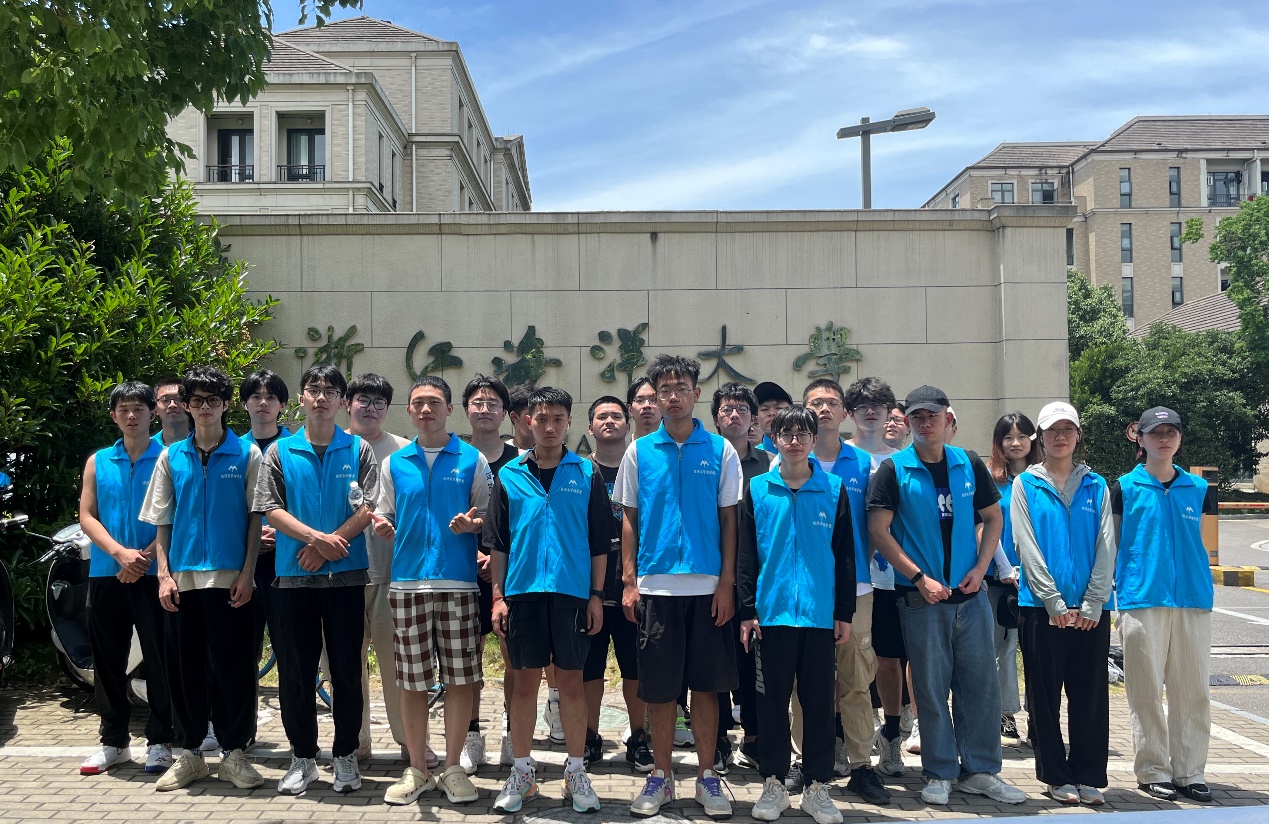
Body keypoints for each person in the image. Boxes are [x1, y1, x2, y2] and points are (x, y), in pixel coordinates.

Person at [866, 385, 1025, 806]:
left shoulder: (968, 462)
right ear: (908, 422)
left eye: (932, 415)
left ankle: (981, 771)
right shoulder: (894, 469)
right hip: (922, 599)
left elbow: (992, 518)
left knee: (980, 686)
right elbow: (879, 531)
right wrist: (918, 577)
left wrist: (981, 567)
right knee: (931, 688)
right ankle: (939, 772)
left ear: (948, 419)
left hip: (970, 597)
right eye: (917, 416)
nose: (925, 423)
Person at [616, 355, 742, 819]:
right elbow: (629, 518)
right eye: (664, 390)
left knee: (707, 689)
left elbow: (729, 520)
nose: (672, 397)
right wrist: (629, 581)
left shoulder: (721, 450)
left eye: (681, 388)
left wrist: (726, 583)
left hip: (708, 588)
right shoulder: (639, 451)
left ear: (696, 393)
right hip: (656, 587)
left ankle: (707, 777)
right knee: (661, 691)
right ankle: (662, 776)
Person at [253, 365, 379, 794]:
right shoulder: (280, 452)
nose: (321, 397)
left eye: (330, 391)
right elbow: (270, 507)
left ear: (342, 401)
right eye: (313, 390)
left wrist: (329, 544)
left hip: (345, 577)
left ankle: (345, 756)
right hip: (294, 577)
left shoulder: (358, 449)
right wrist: (314, 539)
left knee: (347, 671)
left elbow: (370, 504)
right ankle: (303, 757)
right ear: (302, 398)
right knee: (295, 672)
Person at [141, 366, 264, 792]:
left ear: (226, 404)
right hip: (184, 581)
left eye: (213, 400)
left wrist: (248, 572)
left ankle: (233, 753)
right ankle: (190, 754)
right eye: (197, 400)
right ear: (187, 407)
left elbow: (255, 518)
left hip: (231, 580)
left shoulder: (247, 454)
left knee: (235, 668)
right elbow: (163, 520)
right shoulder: (171, 456)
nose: (205, 407)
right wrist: (163, 575)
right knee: (184, 669)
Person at [489, 387, 611, 814]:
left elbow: (600, 542)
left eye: (558, 419)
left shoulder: (587, 473)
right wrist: (498, 596)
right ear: (528, 421)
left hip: (571, 594)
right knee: (524, 683)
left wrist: (596, 595)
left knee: (572, 683)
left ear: (569, 423)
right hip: (522, 593)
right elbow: (499, 543)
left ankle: (575, 772)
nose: (550, 427)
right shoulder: (509, 475)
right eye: (541, 419)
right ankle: (523, 774)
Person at [374, 376, 493, 806]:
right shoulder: (395, 463)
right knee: (412, 681)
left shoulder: (473, 459)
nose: (426, 410)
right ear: (408, 410)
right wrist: (384, 526)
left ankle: (454, 766)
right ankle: (417, 770)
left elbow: (489, 516)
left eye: (435, 402)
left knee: (461, 679)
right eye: (419, 403)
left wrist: (472, 525)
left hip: (458, 582)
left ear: (449, 410)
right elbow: (385, 513)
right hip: (407, 583)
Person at [740, 406, 854, 824]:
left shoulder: (833, 489)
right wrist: (747, 609)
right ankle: (773, 782)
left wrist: (843, 611)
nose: (794, 441)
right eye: (785, 434)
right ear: (774, 439)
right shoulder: (758, 489)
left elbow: (845, 555)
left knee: (819, 703)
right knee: (770, 703)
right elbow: (746, 554)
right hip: (771, 616)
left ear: (813, 439)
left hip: (819, 616)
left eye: (802, 434)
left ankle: (817, 786)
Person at [785, 378, 889, 805]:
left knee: (856, 680)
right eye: (816, 403)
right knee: (803, 683)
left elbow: (877, 523)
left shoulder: (865, 464)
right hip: (802, 590)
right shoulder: (787, 460)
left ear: (844, 412)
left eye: (832, 402)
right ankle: (804, 760)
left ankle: (862, 766)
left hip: (856, 589)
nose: (824, 409)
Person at [1012, 402, 1115, 806]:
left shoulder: (1096, 484)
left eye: (1067, 429)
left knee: (1090, 696)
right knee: (1044, 696)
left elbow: (1106, 545)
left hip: (1091, 611)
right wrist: (1052, 601)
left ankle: (1088, 775)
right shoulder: (1026, 484)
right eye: (1052, 430)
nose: (1060, 437)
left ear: (1078, 435)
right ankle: (1056, 776)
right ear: (1040, 437)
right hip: (1041, 609)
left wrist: (1093, 602)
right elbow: (1026, 546)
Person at [1114, 407, 1217, 803]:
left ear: (1179, 438)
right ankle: (1154, 770)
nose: (1163, 438)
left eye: (1171, 431)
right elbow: (1114, 544)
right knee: (1145, 690)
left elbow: (1202, 544)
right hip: (1142, 598)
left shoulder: (1199, 488)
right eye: (1155, 432)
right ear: (1139, 438)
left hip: (1192, 598)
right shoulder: (1124, 487)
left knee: (1193, 689)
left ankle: (1190, 771)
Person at [78, 381, 175, 776]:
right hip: (107, 573)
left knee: (160, 658)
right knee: (107, 661)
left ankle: (161, 740)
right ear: (113, 415)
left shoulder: (169, 457)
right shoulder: (98, 461)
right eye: (123, 409)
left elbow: (175, 515)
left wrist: (143, 557)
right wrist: (120, 554)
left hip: (155, 575)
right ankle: (113, 742)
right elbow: (87, 515)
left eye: (139, 408)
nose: (131, 415)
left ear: (153, 412)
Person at [581, 395, 652, 772]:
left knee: (635, 667)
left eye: (616, 416)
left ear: (628, 424)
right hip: (589, 587)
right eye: (601, 416)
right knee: (589, 668)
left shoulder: (642, 466)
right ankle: (589, 736)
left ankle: (638, 736)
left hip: (634, 585)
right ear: (590, 427)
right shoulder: (579, 470)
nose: (609, 421)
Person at [344, 372, 412, 763]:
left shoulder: (404, 451)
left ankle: (408, 740)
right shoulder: (334, 448)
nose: (370, 409)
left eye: (379, 402)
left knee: (397, 664)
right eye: (363, 400)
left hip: (393, 573)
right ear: (347, 404)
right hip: (344, 575)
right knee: (347, 666)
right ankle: (356, 740)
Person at [842, 378, 906, 780]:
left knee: (889, 659)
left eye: (878, 405)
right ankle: (842, 738)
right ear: (850, 413)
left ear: (888, 413)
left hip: (895, 578)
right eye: (862, 405)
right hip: (853, 580)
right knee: (847, 664)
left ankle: (892, 735)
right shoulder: (839, 456)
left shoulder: (901, 461)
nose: (871, 411)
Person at [711, 383, 772, 772]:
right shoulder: (705, 459)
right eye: (726, 409)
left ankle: (753, 736)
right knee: (714, 657)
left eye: (742, 410)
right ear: (716, 419)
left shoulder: (770, 464)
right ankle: (717, 736)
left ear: (753, 419)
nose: (734, 415)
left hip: (758, 576)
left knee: (753, 659)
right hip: (711, 574)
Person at [463, 374, 521, 771]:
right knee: (468, 658)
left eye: (493, 403)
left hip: (511, 573)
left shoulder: (520, 460)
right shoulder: (456, 456)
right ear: (466, 410)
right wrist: (476, 555)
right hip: (464, 571)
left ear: (506, 413)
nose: (485, 409)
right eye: (478, 403)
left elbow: (526, 521)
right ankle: (471, 735)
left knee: (514, 658)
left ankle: (513, 731)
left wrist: (498, 559)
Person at [238, 369, 291, 732]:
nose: (263, 403)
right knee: (242, 650)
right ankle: (241, 733)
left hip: (286, 562)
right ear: (244, 404)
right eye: (255, 396)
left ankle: (296, 736)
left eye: (271, 397)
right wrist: (252, 540)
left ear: (283, 405)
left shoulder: (295, 448)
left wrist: (278, 532)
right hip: (242, 564)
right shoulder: (233, 449)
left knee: (290, 651)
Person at [985, 412, 1041, 749]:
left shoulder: (1043, 479)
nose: (1015, 443)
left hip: (1040, 581)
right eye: (1008, 437)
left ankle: (1039, 718)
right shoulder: (991, 481)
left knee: (1037, 652)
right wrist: (1006, 568)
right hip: (999, 579)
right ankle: (1005, 715)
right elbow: (985, 527)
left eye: (1022, 436)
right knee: (1001, 650)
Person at [753, 382, 792, 453]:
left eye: (778, 408)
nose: (771, 413)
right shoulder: (752, 457)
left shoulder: (809, 456)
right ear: (756, 417)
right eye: (764, 409)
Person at [152, 376, 191, 447]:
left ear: (189, 405)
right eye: (165, 400)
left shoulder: (206, 445)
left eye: (179, 399)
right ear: (155, 409)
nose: (172, 405)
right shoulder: (145, 447)